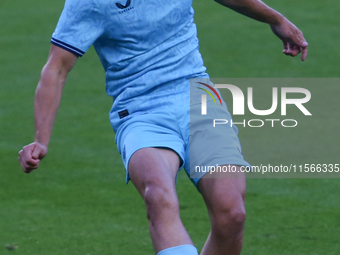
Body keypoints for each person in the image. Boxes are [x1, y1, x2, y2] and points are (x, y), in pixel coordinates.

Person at [18, 0, 308, 254]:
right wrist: (40, 140)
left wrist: (277, 19)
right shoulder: (88, 3)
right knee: (158, 195)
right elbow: (56, 68)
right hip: (140, 110)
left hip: (199, 96)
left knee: (232, 213)